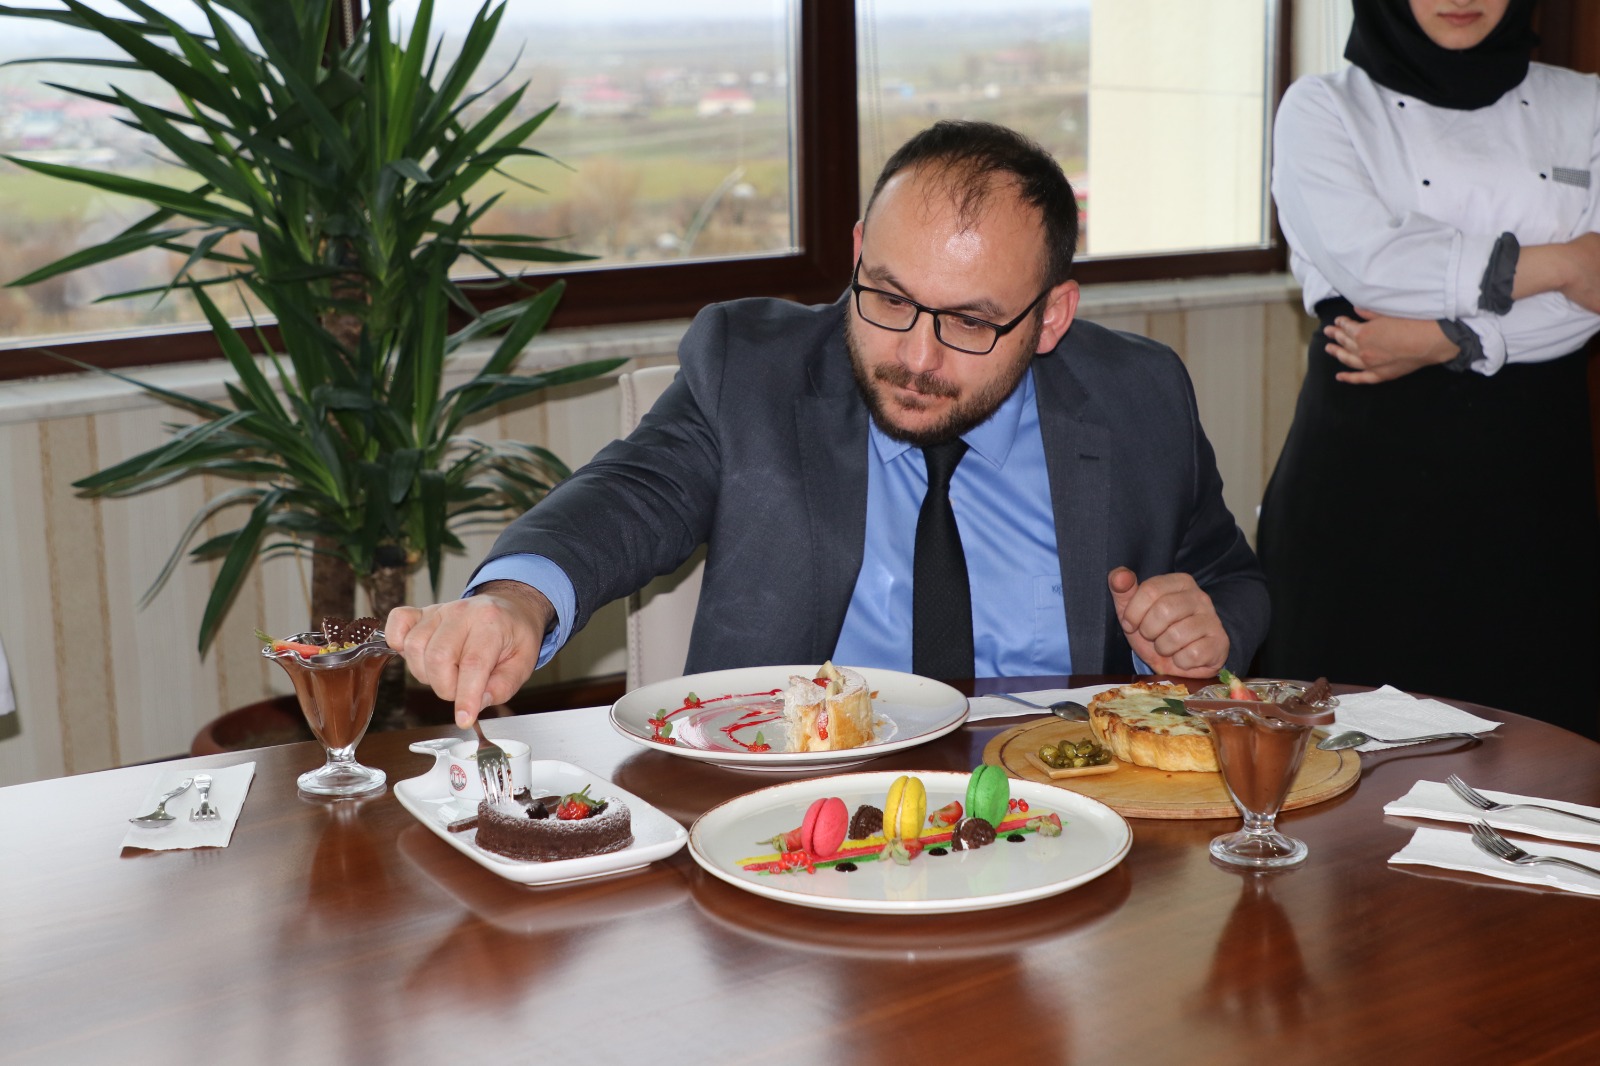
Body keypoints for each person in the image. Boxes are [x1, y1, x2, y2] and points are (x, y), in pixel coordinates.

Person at [389, 120, 1268, 726]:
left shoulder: (1139, 397)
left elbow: (1229, 575)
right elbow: (632, 492)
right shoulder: (754, 372)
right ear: (856, 255)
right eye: (888, 296)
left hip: (1065, 810)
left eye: (969, 322)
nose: (915, 356)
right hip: (801, 815)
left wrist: (1209, 629)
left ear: (1051, 317)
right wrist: (514, 602)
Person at [1257, 0, 1600, 737]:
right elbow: (1376, 269)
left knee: (1544, 741)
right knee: (1344, 747)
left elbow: (1592, 300)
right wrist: (1566, 262)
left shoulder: (1587, 104)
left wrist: (1450, 339)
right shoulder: (1323, 107)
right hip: (1363, 473)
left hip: (1535, 474)